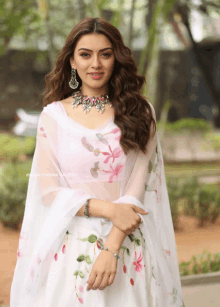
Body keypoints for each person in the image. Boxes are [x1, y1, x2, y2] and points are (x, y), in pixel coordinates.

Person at [10, 17, 184, 307]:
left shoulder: (140, 112)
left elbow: (137, 188)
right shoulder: (53, 116)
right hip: (70, 249)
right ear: (72, 62)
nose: (96, 64)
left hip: (127, 246)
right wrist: (109, 210)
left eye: (105, 54)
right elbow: (48, 190)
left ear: (117, 59)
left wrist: (111, 249)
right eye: (85, 54)